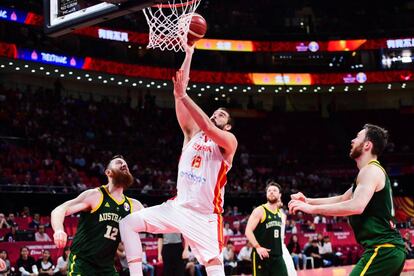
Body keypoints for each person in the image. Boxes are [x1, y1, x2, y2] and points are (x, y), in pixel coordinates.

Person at [119, 42, 238, 276]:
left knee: (214, 266)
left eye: (221, 115)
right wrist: (189, 53)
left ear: (229, 125)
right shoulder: (192, 134)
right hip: (178, 207)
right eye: (215, 112)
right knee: (127, 223)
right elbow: (179, 92)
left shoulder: (228, 142)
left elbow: (203, 120)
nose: (216, 115)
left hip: (205, 216)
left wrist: (185, 95)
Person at [289, 124, 406, 275]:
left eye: (357, 137)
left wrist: (312, 210)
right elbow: (343, 198)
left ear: (367, 145)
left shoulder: (371, 171)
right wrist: (308, 201)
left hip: (383, 249)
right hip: (388, 250)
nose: (352, 140)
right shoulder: (368, 173)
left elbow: (356, 206)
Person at [51, 155, 143, 275]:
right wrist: (58, 230)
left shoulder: (134, 206)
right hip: (83, 263)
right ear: (108, 172)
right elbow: (59, 209)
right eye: (119, 163)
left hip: (107, 267)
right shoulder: (95, 196)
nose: (124, 165)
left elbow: (157, 222)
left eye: (126, 165)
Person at [245, 181, 296, 276]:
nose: (271, 192)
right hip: (262, 256)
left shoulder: (281, 215)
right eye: (269, 190)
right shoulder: (260, 210)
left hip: (278, 256)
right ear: (266, 194)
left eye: (274, 190)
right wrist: (258, 247)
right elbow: (248, 231)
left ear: (280, 195)